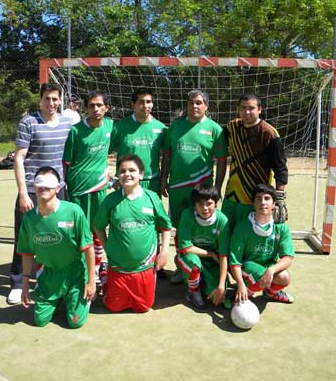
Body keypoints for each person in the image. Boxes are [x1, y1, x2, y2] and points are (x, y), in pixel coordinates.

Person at [8, 83, 72, 305]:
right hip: (33, 190)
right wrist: (23, 193)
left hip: (58, 190)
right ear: (40, 100)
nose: (52, 103)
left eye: (55, 99)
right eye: (47, 99)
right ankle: (17, 283)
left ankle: (54, 279)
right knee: (24, 238)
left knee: (58, 236)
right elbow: (19, 158)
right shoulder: (29, 122)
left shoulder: (67, 122)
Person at [160, 89, 228, 283]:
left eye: (199, 103)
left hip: (201, 188)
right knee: (180, 227)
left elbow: (222, 160)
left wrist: (217, 187)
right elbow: (167, 154)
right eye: (191, 102)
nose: (194, 106)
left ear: (206, 106)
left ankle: (205, 264)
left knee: (201, 225)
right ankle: (183, 266)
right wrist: (164, 178)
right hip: (177, 187)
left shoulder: (215, 129)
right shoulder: (175, 126)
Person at [18, 167, 95, 328]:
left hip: (75, 274)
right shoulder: (29, 218)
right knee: (40, 321)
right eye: (39, 183)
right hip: (49, 275)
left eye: (49, 184)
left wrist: (91, 281)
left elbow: (88, 248)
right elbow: (27, 253)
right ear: (34, 186)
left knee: (75, 323)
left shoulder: (74, 211)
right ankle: (58, 297)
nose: (43, 187)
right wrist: (25, 283)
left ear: (58, 187)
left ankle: (78, 298)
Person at [93, 154, 172, 313]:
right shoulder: (110, 200)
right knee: (113, 307)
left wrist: (164, 252)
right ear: (118, 175)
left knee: (143, 308)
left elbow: (165, 226)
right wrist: (107, 246)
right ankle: (105, 273)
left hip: (145, 266)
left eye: (132, 170)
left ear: (141, 174)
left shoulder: (152, 198)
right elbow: (97, 226)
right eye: (122, 171)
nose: (127, 174)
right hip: (118, 266)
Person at [62, 91, 114, 280]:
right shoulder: (76, 130)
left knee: (98, 228)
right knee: (78, 230)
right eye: (91, 105)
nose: (96, 109)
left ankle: (98, 266)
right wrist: (64, 187)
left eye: (99, 105)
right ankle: (80, 267)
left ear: (106, 108)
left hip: (100, 187)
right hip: (78, 188)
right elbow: (66, 162)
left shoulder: (110, 126)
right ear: (86, 108)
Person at [222, 93, 288, 230]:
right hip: (231, 196)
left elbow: (280, 167)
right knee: (225, 235)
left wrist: (280, 197)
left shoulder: (269, 133)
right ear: (238, 109)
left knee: (249, 239)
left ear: (259, 109)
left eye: (251, 108)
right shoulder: (232, 127)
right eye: (243, 108)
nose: (246, 112)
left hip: (255, 199)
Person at [229, 183, 295, 305]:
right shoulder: (242, 228)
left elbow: (288, 257)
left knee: (284, 277)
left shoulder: (281, 228)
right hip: (246, 266)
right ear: (253, 204)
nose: (262, 202)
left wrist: (272, 269)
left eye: (267, 198)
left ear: (274, 204)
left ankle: (270, 294)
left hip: (268, 266)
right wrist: (241, 284)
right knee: (260, 277)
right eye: (258, 199)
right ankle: (243, 293)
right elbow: (235, 262)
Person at [176, 184, 230, 309]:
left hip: (211, 261)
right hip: (190, 257)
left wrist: (221, 286)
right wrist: (210, 254)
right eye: (200, 204)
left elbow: (223, 256)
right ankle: (193, 292)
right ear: (194, 205)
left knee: (218, 296)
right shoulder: (187, 215)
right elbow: (186, 248)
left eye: (209, 203)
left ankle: (203, 283)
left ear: (216, 204)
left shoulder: (222, 221)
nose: (205, 208)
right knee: (194, 264)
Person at [110, 88, 167, 194]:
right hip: (127, 181)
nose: (145, 106)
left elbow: (168, 156)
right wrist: (110, 179)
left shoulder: (161, 129)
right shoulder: (120, 127)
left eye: (148, 102)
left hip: (152, 182)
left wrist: (163, 180)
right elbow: (103, 152)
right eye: (141, 102)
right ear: (133, 104)